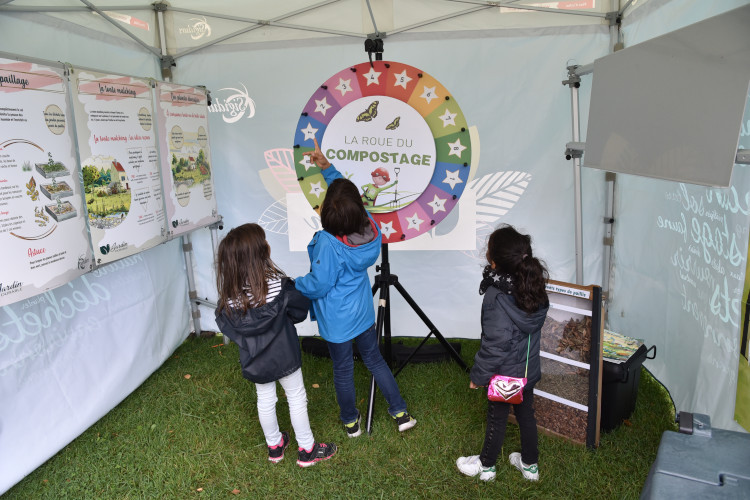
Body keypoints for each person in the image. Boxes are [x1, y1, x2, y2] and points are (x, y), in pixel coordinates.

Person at [295, 137, 416, 437]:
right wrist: (327, 168)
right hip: (362, 312)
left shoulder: (328, 242)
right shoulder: (370, 225)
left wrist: (293, 284)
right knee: (374, 360)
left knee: (343, 369)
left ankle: (351, 421)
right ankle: (400, 412)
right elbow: (348, 197)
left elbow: (319, 284)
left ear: (329, 217)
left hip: (337, 321)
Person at [214, 223, 336, 468]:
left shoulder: (228, 299)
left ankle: (275, 446)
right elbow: (299, 310)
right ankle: (307, 450)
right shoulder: (279, 286)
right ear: (263, 252)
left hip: (255, 360)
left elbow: (227, 325)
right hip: (286, 356)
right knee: (296, 398)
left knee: (265, 399)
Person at [456, 224, 549, 482]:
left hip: (505, 375)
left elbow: (496, 346)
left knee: (497, 417)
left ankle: (486, 467)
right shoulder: (534, 286)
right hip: (527, 370)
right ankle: (530, 466)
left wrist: (478, 375)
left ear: (494, 262)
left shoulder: (496, 296)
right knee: (525, 415)